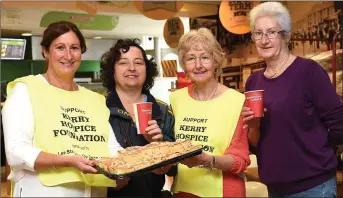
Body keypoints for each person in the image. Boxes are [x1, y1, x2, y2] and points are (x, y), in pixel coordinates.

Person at [2, 21, 125, 197]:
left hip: (94, 191)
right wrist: (65, 161)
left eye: (74, 48)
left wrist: (128, 164)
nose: (68, 55)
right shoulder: (26, 90)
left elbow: (111, 147)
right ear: (45, 51)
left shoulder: (95, 100)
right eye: (60, 47)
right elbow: (16, 152)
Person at [242, 2, 343, 197]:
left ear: (286, 36)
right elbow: (255, 141)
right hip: (274, 186)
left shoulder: (308, 71)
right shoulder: (254, 81)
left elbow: (339, 121)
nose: (264, 40)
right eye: (258, 33)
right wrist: (254, 125)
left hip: (313, 186)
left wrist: (321, 151)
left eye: (272, 32)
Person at [169, 28, 251, 197]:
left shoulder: (237, 101)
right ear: (184, 64)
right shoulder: (175, 99)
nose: (198, 65)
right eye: (191, 58)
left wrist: (209, 160)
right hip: (184, 191)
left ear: (215, 61)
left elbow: (241, 160)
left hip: (224, 192)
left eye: (205, 57)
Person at [100, 38, 176, 197]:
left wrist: (158, 143)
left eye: (139, 63)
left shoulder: (162, 110)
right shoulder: (99, 109)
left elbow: (175, 167)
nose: (132, 68)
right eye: (123, 63)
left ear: (147, 69)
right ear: (112, 70)